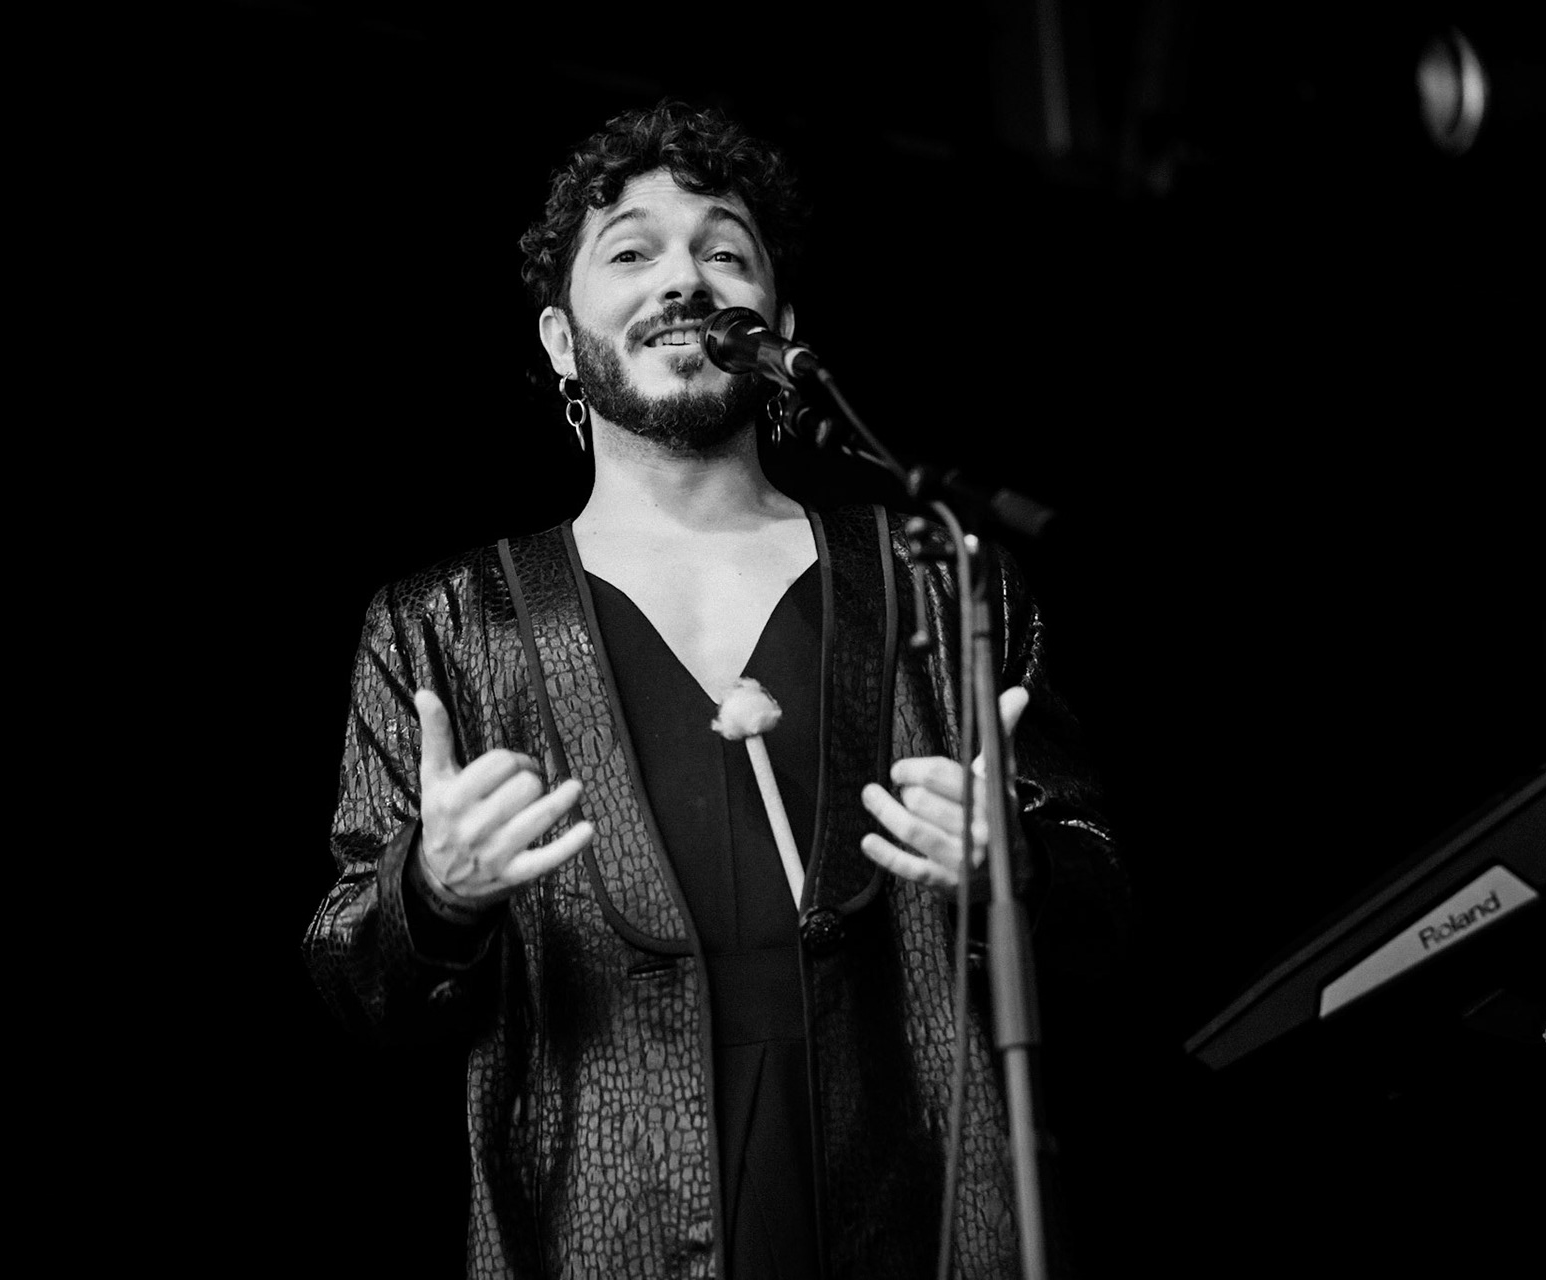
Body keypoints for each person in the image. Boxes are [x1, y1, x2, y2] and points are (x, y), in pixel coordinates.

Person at [303, 99, 1126, 1279]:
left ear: (780, 326)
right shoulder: (444, 624)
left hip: (922, 1230)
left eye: (723, 251)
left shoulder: (936, 581)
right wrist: (432, 890)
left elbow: (1104, 919)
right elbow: (355, 979)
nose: (681, 278)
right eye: (631, 251)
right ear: (556, 337)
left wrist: (1025, 871)